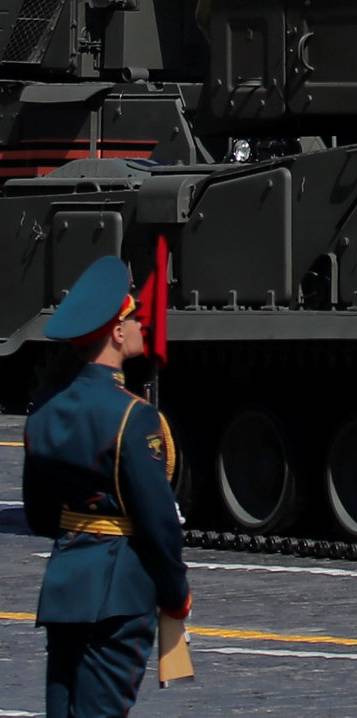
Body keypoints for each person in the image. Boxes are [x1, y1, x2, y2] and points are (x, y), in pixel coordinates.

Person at [24, 256, 190, 716]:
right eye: (135, 318)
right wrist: (177, 593)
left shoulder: (45, 411)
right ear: (117, 333)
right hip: (120, 593)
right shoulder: (134, 418)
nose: (142, 325)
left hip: (64, 586)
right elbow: (158, 522)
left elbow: (39, 515)